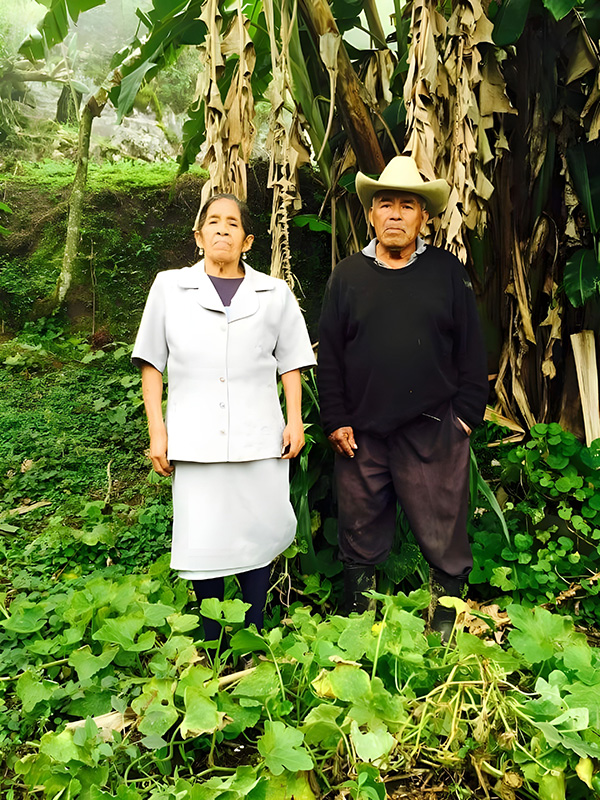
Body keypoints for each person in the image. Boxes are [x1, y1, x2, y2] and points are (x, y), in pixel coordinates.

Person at [132, 193, 316, 644]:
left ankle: (251, 631)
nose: (222, 230)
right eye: (212, 222)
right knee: (205, 538)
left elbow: (291, 362)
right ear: (199, 236)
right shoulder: (169, 288)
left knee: (259, 531)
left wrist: (294, 420)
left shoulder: (274, 293)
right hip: (195, 441)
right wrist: (158, 430)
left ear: (247, 240)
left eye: (232, 223)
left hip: (260, 438)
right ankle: (211, 635)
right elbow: (152, 363)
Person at [317, 156, 488, 638]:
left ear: (423, 217)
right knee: (359, 536)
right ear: (372, 215)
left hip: (434, 430)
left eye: (406, 205)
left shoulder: (446, 273)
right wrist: (335, 418)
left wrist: (466, 418)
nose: (395, 214)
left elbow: (473, 351)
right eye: (385, 204)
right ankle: (358, 637)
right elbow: (329, 355)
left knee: (444, 538)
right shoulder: (347, 276)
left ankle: (442, 640)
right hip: (360, 434)